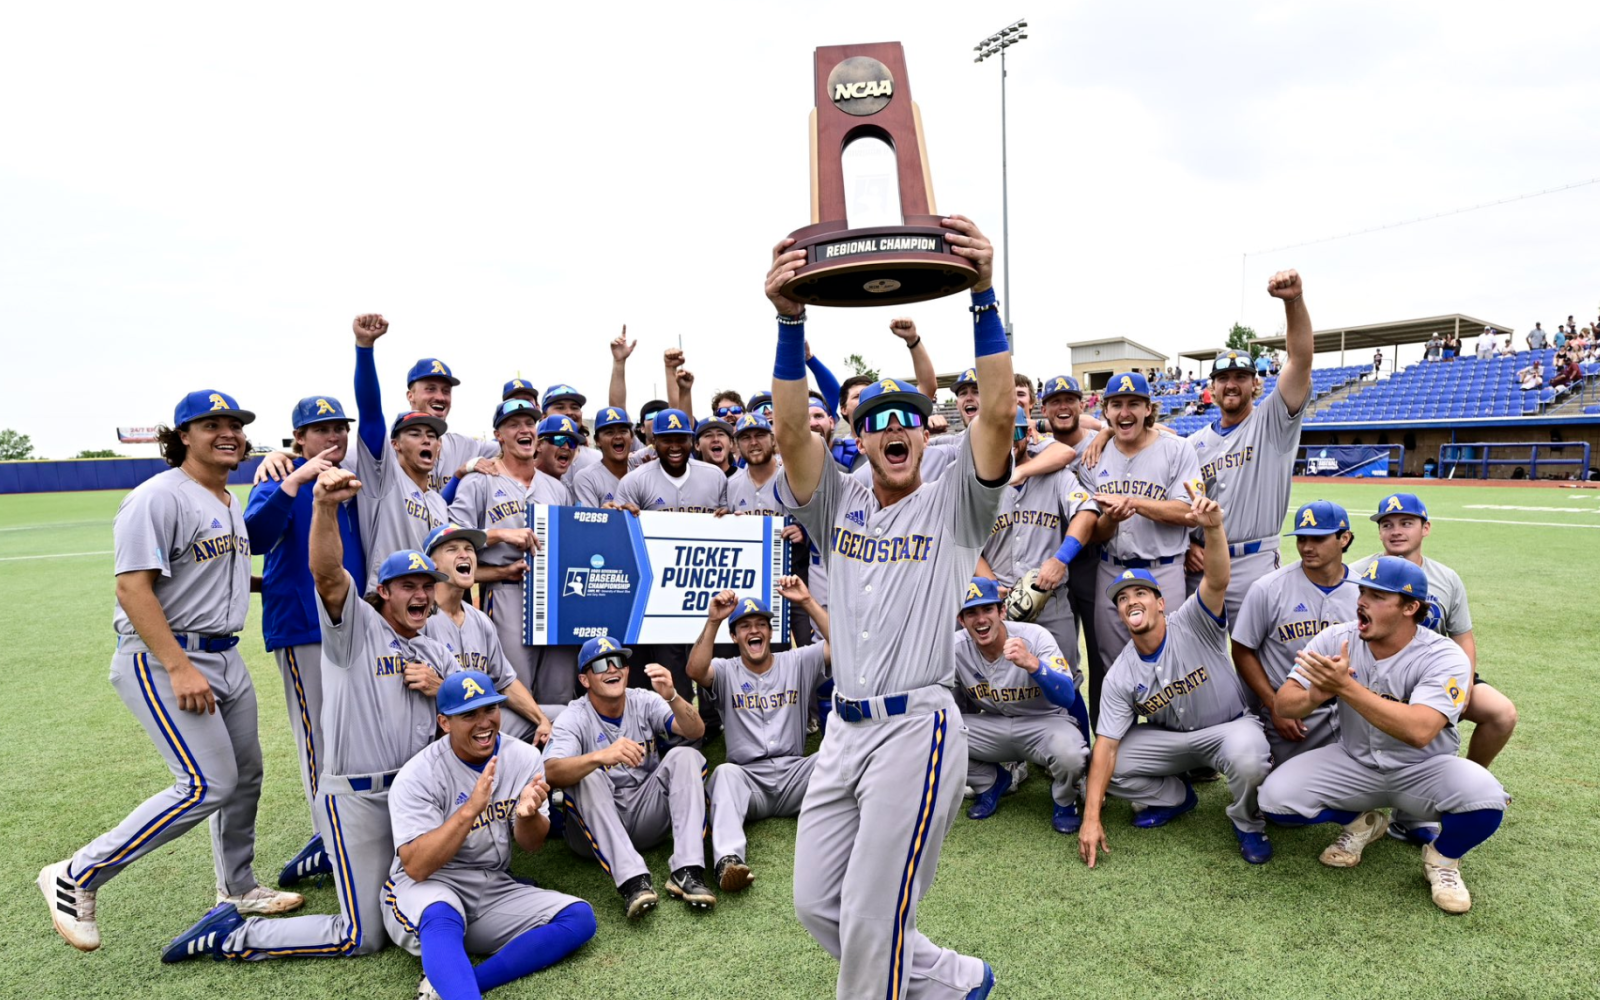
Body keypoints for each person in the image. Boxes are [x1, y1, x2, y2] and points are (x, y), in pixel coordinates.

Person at [766, 212, 1007, 1000]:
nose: (895, 430)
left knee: (872, 920)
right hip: (844, 729)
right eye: (878, 423)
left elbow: (998, 418)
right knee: (817, 904)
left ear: (928, 435)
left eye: (909, 419)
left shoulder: (954, 502)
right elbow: (790, 430)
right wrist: (790, 322)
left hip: (915, 726)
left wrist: (982, 297)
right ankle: (954, 979)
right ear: (861, 441)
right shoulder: (835, 502)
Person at [40, 391, 302, 954]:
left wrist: (272, 586)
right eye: (212, 424)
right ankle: (77, 874)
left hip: (224, 655)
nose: (228, 432)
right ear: (183, 435)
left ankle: (237, 889)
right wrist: (179, 667)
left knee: (245, 776)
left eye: (235, 424)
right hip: (163, 656)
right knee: (206, 784)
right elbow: (132, 588)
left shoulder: (226, 499)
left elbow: (210, 575)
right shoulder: (157, 497)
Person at [161, 466, 455, 962]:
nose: (422, 595)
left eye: (427, 585)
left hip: (414, 799)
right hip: (359, 800)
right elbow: (327, 573)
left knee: (418, 901)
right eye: (408, 585)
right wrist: (324, 507)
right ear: (383, 592)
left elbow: (472, 715)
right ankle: (231, 936)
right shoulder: (355, 630)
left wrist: (442, 687)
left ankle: (324, 862)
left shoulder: (435, 650)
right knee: (362, 937)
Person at [1259, 557, 1507, 914]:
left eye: (1377, 596)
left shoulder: (1444, 655)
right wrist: (1316, 694)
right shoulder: (1336, 638)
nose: (1362, 601)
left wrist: (1345, 687)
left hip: (1424, 767)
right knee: (1275, 800)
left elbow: (1419, 731)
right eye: (1362, 592)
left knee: (1486, 798)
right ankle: (1363, 823)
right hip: (1355, 760)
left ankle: (1443, 858)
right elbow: (1284, 704)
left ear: (1410, 607)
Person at [1078, 494, 1272, 867]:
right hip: (1171, 742)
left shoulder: (1193, 621)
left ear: (1160, 602)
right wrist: (1091, 818)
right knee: (1104, 770)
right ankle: (1175, 797)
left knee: (1248, 759)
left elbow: (1217, 579)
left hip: (1228, 728)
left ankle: (1247, 821)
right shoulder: (1122, 672)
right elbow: (1106, 746)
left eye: (1141, 593)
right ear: (1119, 612)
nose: (1132, 601)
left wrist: (1213, 529)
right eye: (1123, 598)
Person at [382, 671, 595, 1000]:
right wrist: (469, 810)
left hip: (491, 884)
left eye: (490, 709)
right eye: (469, 714)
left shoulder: (523, 757)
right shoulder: (419, 774)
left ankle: (453, 981)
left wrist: (527, 816)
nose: (484, 723)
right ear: (444, 722)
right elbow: (417, 868)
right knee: (441, 912)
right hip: (428, 886)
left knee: (578, 917)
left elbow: (531, 844)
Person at [243, 395, 364, 888]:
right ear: (299, 438)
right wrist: (292, 479)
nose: (334, 436)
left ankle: (348, 830)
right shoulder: (278, 477)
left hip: (351, 622)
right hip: (301, 626)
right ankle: (328, 840)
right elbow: (252, 538)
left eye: (340, 427)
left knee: (353, 732)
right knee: (317, 737)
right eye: (322, 429)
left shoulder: (351, 478)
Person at [1349, 494, 1517, 835]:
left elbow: (1463, 636)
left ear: (1425, 528)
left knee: (1502, 713)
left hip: (1436, 673)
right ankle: (1363, 805)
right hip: (1375, 674)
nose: (1396, 531)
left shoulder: (1446, 578)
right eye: (1387, 524)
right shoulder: (1356, 572)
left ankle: (1461, 787)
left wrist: (1465, 685)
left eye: (1406, 523)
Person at [1176, 271, 1314, 619]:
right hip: (1202, 565)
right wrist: (1188, 543)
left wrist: (1293, 302)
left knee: (1256, 650)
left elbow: (1300, 360)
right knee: (1197, 649)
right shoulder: (1192, 443)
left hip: (1255, 563)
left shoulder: (1273, 422)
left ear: (1255, 384)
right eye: (1223, 378)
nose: (1231, 384)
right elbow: (1181, 506)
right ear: (1212, 388)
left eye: (1241, 377)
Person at [543, 637, 711, 918]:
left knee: (685, 755)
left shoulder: (644, 700)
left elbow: (695, 731)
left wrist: (672, 696)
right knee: (588, 776)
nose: (612, 668)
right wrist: (599, 757)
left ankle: (688, 870)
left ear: (627, 669)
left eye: (618, 661)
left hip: (645, 813)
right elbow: (550, 771)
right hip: (593, 831)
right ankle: (633, 881)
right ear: (584, 680)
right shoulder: (573, 716)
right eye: (600, 664)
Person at [1076, 371, 1205, 712]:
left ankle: (1174, 741)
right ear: (1105, 411)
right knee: (1113, 666)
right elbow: (1096, 533)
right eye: (1116, 404)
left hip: (1163, 570)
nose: (1125, 412)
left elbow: (1188, 512)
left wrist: (1133, 503)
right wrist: (1111, 519)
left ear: (1149, 409)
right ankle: (1121, 741)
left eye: (1134, 403)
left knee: (1172, 663)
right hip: (1111, 569)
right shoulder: (1093, 457)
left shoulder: (1177, 449)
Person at [691, 583, 830, 892]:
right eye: (745, 626)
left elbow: (841, 647)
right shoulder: (725, 670)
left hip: (796, 776)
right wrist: (713, 621)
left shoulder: (796, 660)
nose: (754, 630)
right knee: (724, 774)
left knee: (836, 756)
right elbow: (696, 670)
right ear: (734, 636)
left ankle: (859, 835)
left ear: (770, 631)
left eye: (760, 624)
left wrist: (807, 601)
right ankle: (728, 861)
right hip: (749, 781)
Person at [447, 402, 572, 706]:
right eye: (513, 424)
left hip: (556, 596)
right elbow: (453, 540)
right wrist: (500, 534)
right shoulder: (479, 481)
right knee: (514, 689)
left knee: (560, 691)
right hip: (507, 592)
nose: (524, 429)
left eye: (529, 423)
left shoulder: (556, 488)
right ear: (498, 435)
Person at [953, 577, 1089, 834]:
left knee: (1071, 755)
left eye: (987, 609)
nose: (980, 619)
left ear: (1002, 611)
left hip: (1046, 725)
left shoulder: (1035, 636)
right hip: (994, 726)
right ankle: (990, 782)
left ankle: (1064, 801)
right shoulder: (956, 648)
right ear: (961, 620)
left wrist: (1034, 665)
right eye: (971, 613)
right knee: (933, 733)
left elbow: (1067, 696)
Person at [1231, 501, 1359, 766]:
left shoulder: (1363, 593)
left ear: (1344, 538)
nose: (1307, 547)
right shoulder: (1269, 588)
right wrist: (1274, 705)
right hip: (1290, 716)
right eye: (1302, 539)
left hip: (1348, 710)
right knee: (1278, 786)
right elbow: (1242, 650)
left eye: (1318, 539)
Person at [976, 406, 1099, 681]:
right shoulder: (978, 485)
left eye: (1015, 433)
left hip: (1050, 600)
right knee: (1001, 685)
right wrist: (991, 585)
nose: (1008, 440)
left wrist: (1061, 558)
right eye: (999, 433)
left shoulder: (1056, 476)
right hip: (999, 604)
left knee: (1065, 678)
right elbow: (966, 544)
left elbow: (1087, 513)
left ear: (1029, 434)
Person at [421, 523, 553, 742]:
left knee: (563, 717)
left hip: (483, 721)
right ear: (432, 564)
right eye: (452, 549)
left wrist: (542, 720)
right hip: (442, 731)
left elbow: (506, 682)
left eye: (469, 549)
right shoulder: (420, 618)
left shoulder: (480, 620)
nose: (464, 554)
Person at [1034, 374, 1111, 720]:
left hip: (1091, 560)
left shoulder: (1102, 441)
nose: (1063, 407)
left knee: (1100, 654)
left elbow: (1158, 432)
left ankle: (1102, 731)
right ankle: (1057, 727)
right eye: (1055, 401)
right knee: (1053, 653)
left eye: (1069, 400)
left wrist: (1107, 430)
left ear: (1082, 405)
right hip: (1051, 563)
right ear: (1044, 409)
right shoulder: (1038, 447)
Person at [571, 406, 634, 507]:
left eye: (623, 431)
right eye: (609, 432)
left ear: (632, 438)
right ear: (597, 441)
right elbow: (587, 516)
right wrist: (606, 513)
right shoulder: (587, 478)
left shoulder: (641, 474)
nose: (618, 436)